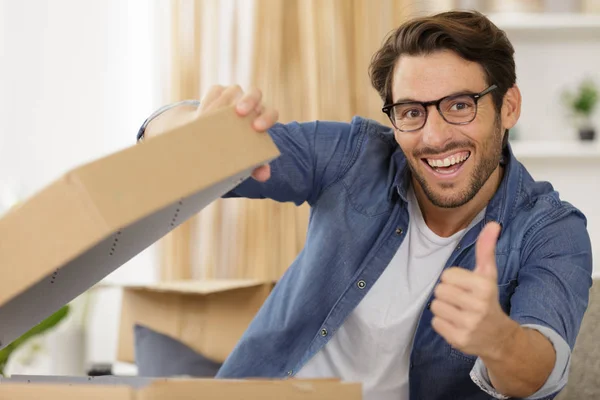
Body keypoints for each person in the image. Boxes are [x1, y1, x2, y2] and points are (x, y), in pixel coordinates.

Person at [138, 10, 593, 400]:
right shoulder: (354, 157)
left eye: (459, 105)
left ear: (508, 107)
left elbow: (538, 370)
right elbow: (170, 150)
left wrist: (498, 339)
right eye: (412, 111)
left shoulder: (551, 229)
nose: (434, 137)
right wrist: (192, 129)